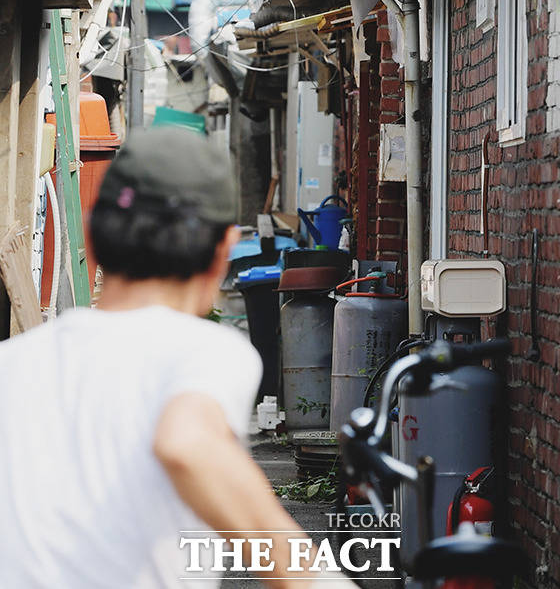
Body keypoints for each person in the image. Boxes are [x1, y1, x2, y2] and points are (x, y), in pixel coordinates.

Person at [0, 127, 354, 588]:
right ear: (223, 250)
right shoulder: (203, 352)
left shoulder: (12, 363)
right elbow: (185, 443)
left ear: (91, 237)